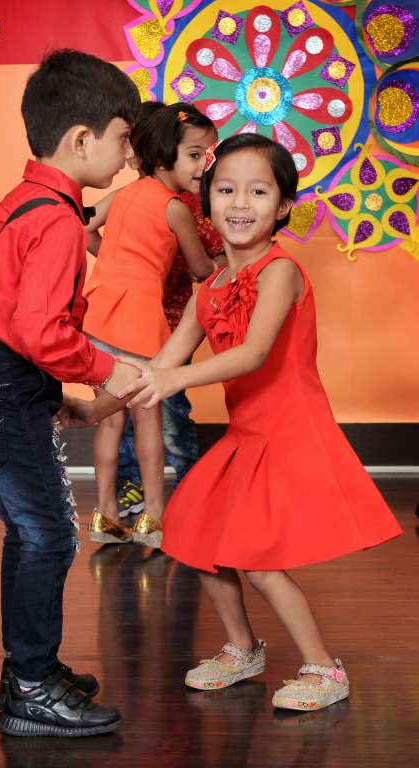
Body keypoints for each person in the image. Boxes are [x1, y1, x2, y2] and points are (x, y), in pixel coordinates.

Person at [109, 134, 403, 711]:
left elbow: (254, 353)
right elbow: (155, 370)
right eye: (225, 189)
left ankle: (325, 670)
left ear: (283, 205)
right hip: (248, 436)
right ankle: (243, 648)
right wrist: (93, 407)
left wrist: (173, 382)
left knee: (260, 561)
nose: (239, 202)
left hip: (291, 431)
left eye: (258, 190)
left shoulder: (282, 270)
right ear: (208, 202)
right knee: (192, 537)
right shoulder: (211, 288)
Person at [0, 48, 146, 738]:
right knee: (49, 537)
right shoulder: (59, 217)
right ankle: (32, 688)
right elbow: (40, 328)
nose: (127, 157)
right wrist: (105, 370)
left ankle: (28, 670)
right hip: (0, 384)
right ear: (82, 140)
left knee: (36, 534)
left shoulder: (26, 199)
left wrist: (40, 390)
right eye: (123, 139)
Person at [81, 103, 224, 548]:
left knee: (108, 420)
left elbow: (81, 223)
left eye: (209, 154)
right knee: (148, 419)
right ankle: (154, 519)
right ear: (164, 158)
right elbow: (202, 270)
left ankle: (104, 516)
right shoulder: (176, 209)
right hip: (140, 318)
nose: (206, 164)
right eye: (196, 155)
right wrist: (229, 258)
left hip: (99, 310)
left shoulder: (123, 194)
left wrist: (112, 264)